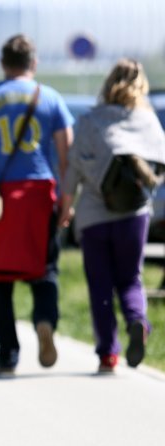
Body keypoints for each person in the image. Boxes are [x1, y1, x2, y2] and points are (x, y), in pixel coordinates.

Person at [0, 34, 74, 375]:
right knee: (45, 269)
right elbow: (66, 155)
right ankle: (44, 321)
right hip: (38, 194)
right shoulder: (51, 97)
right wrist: (67, 200)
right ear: (33, 64)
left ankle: (7, 354)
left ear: (4, 65)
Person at [59, 59, 165, 373]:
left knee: (100, 285)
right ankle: (137, 321)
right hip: (133, 214)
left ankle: (108, 353)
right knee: (131, 278)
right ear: (141, 86)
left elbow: (73, 170)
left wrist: (66, 209)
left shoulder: (91, 120)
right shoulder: (147, 120)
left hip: (93, 217)